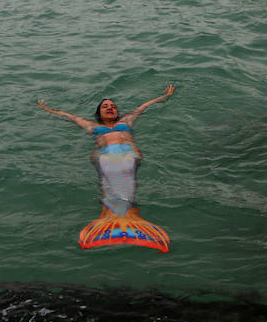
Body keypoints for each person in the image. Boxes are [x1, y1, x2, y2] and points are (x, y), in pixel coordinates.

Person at [36, 84, 176, 252]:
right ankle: (117, 220)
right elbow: (70, 117)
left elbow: (144, 106)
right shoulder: (92, 127)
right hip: (106, 155)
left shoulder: (126, 120)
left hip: (128, 154)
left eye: (113, 106)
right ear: (99, 112)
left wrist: (165, 96)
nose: (110, 108)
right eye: (105, 106)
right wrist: (47, 109)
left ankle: (123, 220)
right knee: (110, 183)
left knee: (126, 183)